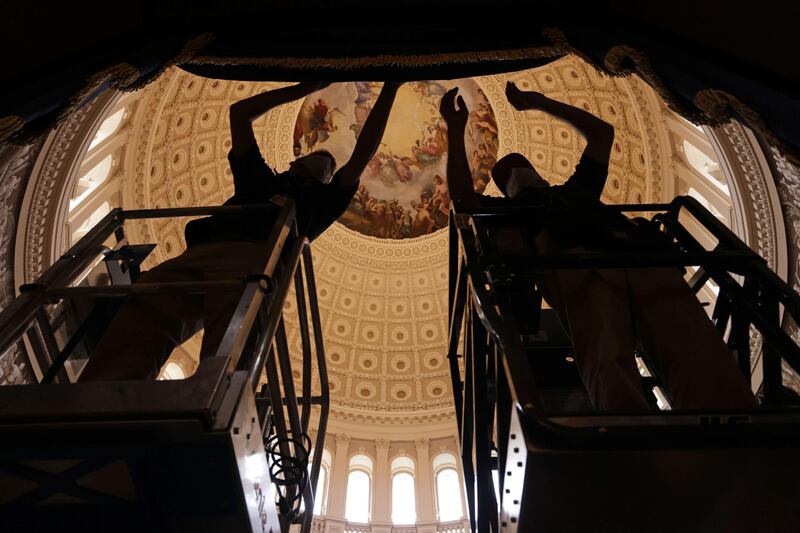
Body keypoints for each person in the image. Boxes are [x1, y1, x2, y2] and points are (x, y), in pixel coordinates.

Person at [440, 82, 756, 411]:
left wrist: (542, 102)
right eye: (508, 174)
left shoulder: (576, 190)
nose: (517, 174)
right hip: (576, 267)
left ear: (538, 173)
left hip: (640, 258)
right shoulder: (508, 215)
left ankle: (732, 420)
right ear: (504, 190)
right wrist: (456, 130)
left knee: (689, 345)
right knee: (606, 360)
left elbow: (602, 134)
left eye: (521, 167)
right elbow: (463, 200)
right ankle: (631, 441)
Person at [80, 81, 401, 381]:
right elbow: (240, 114)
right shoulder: (261, 179)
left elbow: (363, 153)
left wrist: (390, 88)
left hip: (252, 262)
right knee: (144, 312)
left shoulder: (320, 204)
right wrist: (305, 88)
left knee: (227, 358)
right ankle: (99, 393)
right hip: (197, 254)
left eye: (331, 168)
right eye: (322, 156)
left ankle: (209, 409)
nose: (329, 162)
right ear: (294, 163)